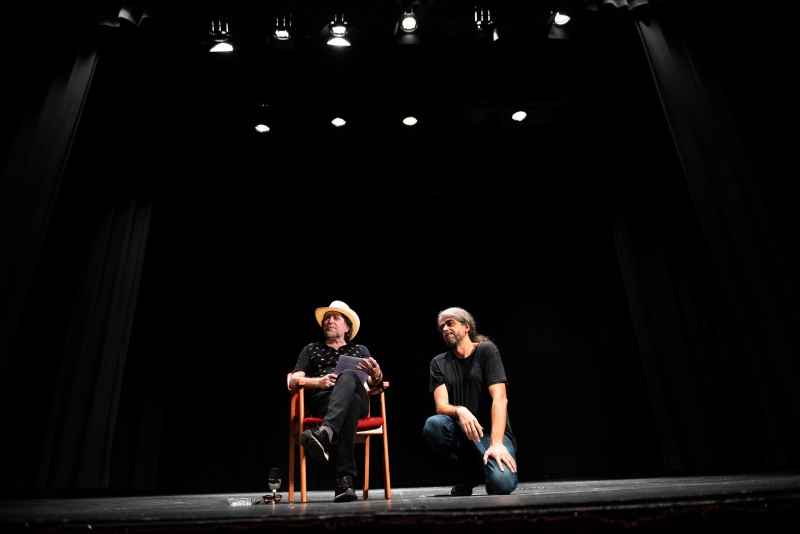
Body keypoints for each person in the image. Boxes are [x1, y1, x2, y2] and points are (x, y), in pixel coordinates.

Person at [289, 300, 384, 503]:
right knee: (349, 404)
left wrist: (377, 375)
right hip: (325, 400)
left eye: (336, 317)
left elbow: (373, 381)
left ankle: (325, 433)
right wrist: (318, 381)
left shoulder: (360, 350)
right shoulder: (311, 349)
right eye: (327, 318)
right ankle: (345, 481)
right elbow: (293, 380)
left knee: (349, 376)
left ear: (347, 327)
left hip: (360, 399)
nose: (330, 321)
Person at [422, 306, 518, 496]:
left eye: (450, 323)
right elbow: (441, 406)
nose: (445, 329)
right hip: (463, 432)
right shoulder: (438, 362)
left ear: (466, 327)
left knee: (502, 485)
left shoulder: (486, 350)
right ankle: (468, 472)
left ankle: (486, 472)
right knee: (433, 425)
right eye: (441, 327)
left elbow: (500, 398)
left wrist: (497, 443)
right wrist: (460, 410)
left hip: (491, 432)